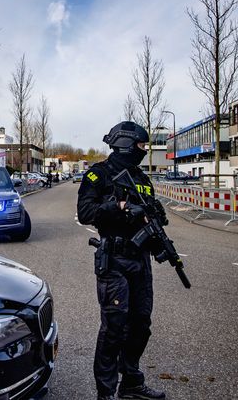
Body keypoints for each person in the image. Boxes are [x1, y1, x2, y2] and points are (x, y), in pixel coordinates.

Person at [77, 121, 166, 400]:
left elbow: (158, 215)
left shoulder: (142, 178)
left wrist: (155, 217)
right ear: (127, 144)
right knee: (114, 327)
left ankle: (131, 383)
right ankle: (106, 393)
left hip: (140, 260)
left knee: (141, 324)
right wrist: (120, 207)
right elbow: (85, 212)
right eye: (141, 145)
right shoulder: (98, 175)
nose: (144, 150)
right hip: (113, 260)